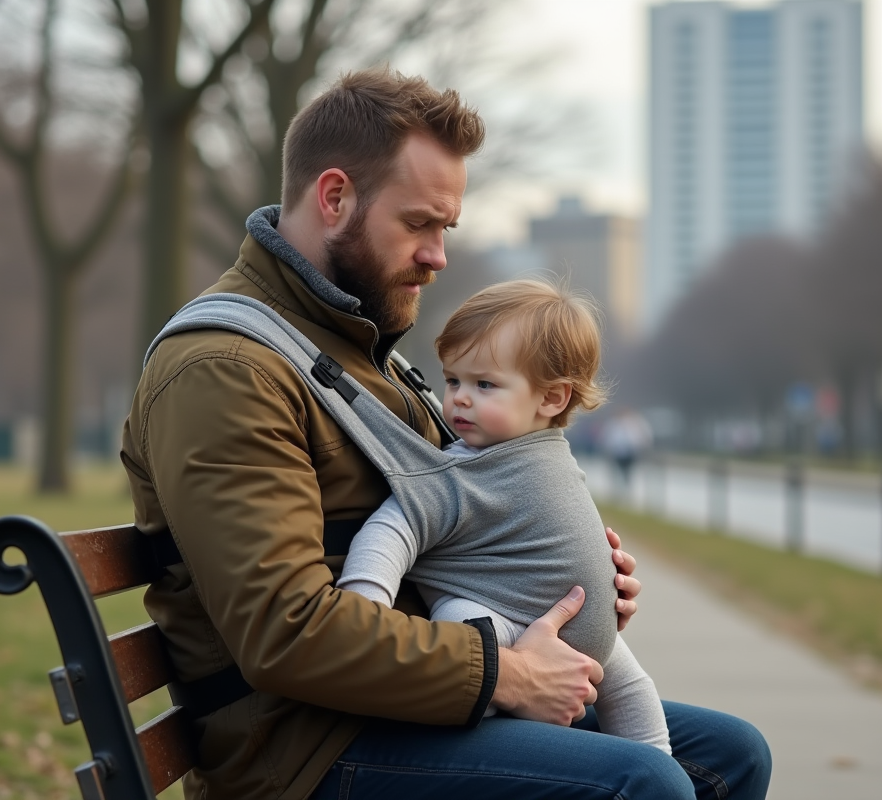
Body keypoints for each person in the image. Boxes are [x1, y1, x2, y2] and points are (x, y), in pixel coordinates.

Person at [121, 68, 771, 799]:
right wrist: (505, 674)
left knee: (732, 754)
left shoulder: (364, 353)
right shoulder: (224, 371)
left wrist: (563, 576)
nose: (438, 254)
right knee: (643, 783)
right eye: (418, 224)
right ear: (334, 198)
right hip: (308, 752)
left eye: (446, 228)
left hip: (410, 708)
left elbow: (465, 517)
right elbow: (286, 631)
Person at [337, 279, 672, 752]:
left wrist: (603, 572)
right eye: (453, 380)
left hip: (591, 644)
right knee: (462, 625)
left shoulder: (547, 451)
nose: (460, 398)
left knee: (640, 698)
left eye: (484, 384)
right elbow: (392, 529)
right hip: (501, 623)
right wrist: (364, 603)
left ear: (551, 399)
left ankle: (661, 763)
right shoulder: (457, 474)